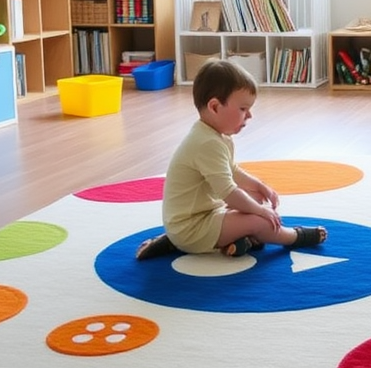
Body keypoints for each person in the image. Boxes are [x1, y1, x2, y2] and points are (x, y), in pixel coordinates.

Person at [136, 58, 327, 260]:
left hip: (205, 214)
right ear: (215, 106)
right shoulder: (206, 144)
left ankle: (237, 242)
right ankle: (293, 236)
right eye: (243, 109)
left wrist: (260, 187)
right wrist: (261, 212)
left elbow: (232, 170)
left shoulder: (215, 136)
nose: (250, 115)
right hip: (191, 228)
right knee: (259, 221)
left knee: (254, 196)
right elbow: (228, 192)